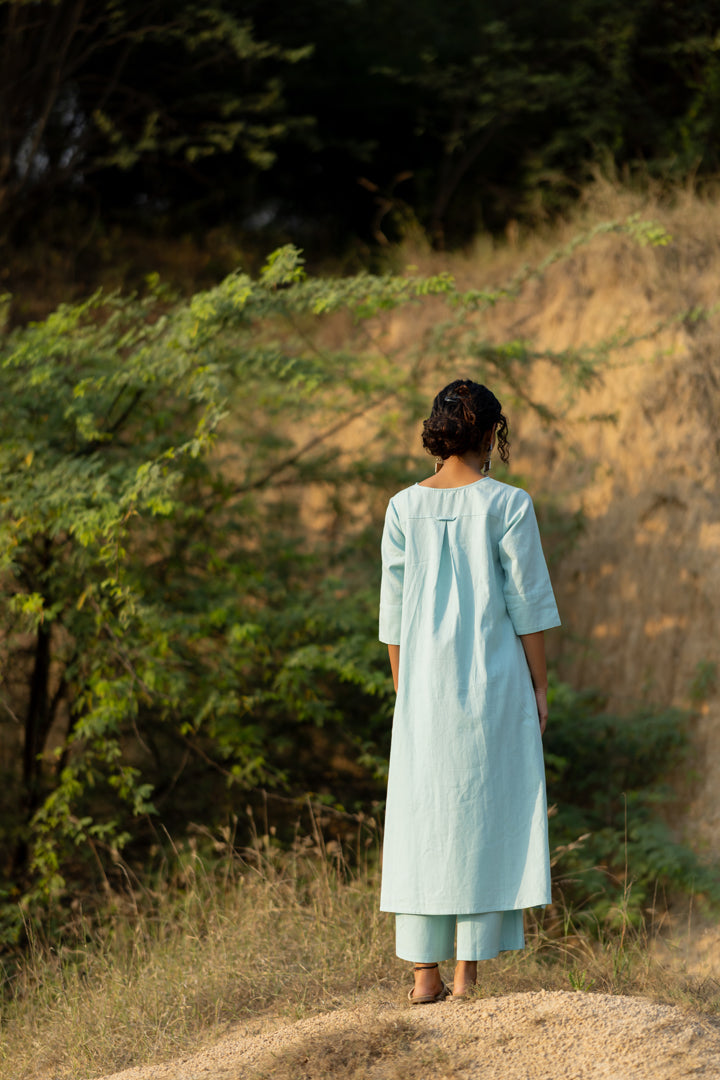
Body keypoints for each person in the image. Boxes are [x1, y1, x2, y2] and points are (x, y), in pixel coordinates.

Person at [378, 378, 560, 1003]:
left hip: (423, 690)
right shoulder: (510, 505)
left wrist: (405, 692)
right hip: (494, 685)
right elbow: (528, 606)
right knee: (484, 812)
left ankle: (423, 977)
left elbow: (393, 617)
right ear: (489, 433)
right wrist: (541, 686)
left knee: (423, 819)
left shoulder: (402, 508)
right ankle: (465, 977)